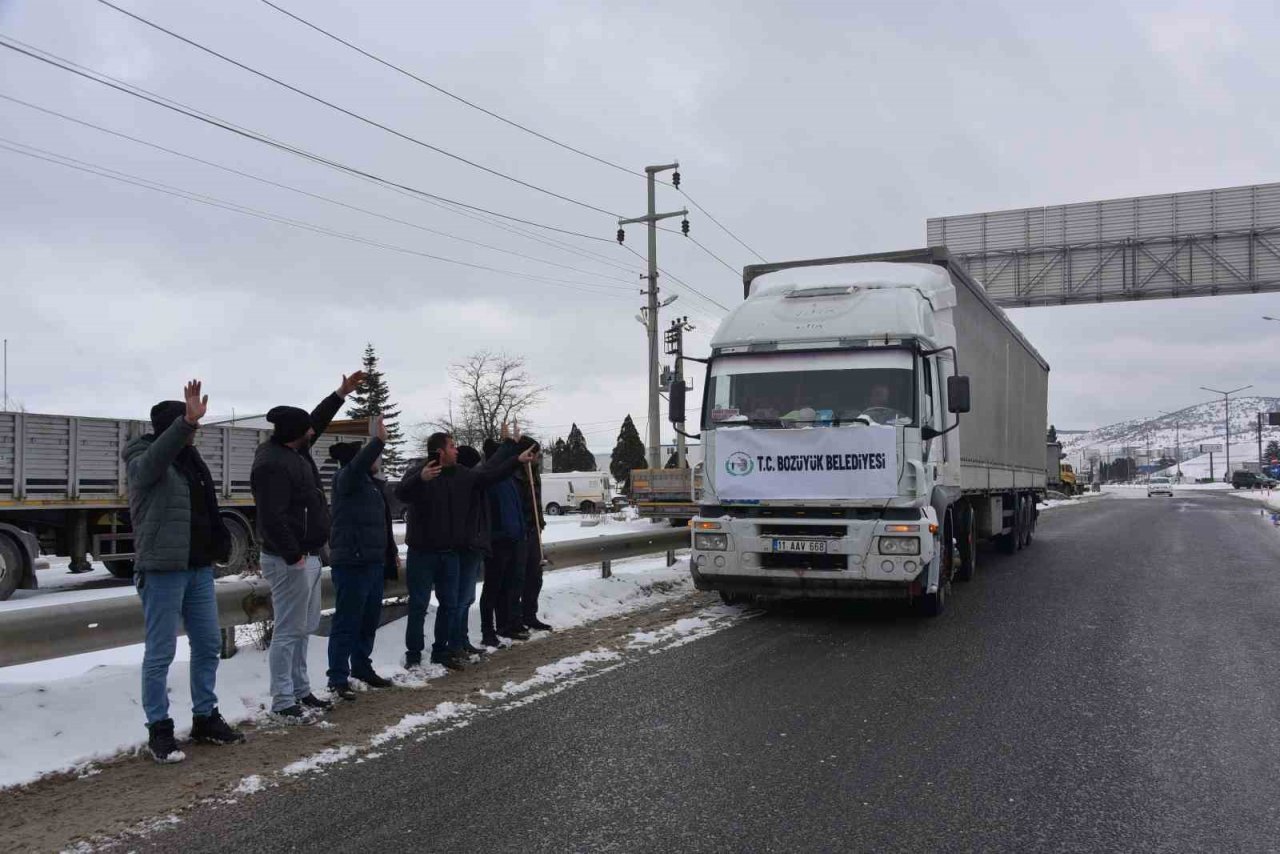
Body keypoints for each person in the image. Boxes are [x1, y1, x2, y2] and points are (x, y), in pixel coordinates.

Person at [124, 379, 244, 763]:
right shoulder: (142, 457)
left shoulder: (192, 460)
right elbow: (150, 466)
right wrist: (185, 424)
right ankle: (159, 729)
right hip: (162, 569)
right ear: (172, 427)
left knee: (208, 644)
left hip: (197, 568)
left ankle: (205, 717)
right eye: (190, 424)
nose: (196, 430)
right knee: (160, 653)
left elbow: (204, 506)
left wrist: (219, 541)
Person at [251, 370, 365, 721]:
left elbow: (315, 420)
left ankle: (301, 690)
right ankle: (283, 700)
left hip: (309, 555)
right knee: (288, 631)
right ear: (295, 434)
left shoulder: (294, 450)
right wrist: (293, 555)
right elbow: (271, 516)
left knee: (304, 627)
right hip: (290, 559)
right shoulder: (271, 463)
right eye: (307, 431)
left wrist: (340, 394)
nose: (313, 432)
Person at [396, 431, 536, 671]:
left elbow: (489, 475)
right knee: (419, 605)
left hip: (450, 552)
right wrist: (420, 478)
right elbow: (400, 493)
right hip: (422, 553)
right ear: (439, 451)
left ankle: (441, 652)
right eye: (452, 446)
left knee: (449, 604)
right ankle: (414, 655)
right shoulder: (420, 471)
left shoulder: (462, 474)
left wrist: (516, 460)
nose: (456, 450)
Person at [325, 417, 417, 701]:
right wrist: (378, 440)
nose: (377, 461)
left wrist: (391, 554)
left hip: (373, 562)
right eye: (373, 457)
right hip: (352, 563)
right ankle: (337, 677)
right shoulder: (346, 479)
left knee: (367, 620)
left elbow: (382, 524)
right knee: (347, 622)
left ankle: (362, 667)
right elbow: (357, 466)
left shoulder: (370, 486)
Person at [481, 435, 530, 645]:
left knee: (509, 586)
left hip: (514, 538)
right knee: (492, 588)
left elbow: (516, 509)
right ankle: (488, 630)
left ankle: (505, 624)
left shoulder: (509, 479)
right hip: (497, 540)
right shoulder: (489, 480)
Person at [511, 426, 553, 632]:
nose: (538, 458)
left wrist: (540, 523)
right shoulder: (514, 474)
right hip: (520, 532)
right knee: (518, 577)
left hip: (534, 530)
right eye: (535, 454)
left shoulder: (534, 472)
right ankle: (515, 618)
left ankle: (530, 614)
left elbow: (537, 501)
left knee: (535, 576)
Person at [453, 444, 489, 657]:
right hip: (467, 547)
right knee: (462, 598)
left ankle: (462, 639)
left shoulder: (472, 484)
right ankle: (456, 641)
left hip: (474, 546)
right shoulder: (466, 485)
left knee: (466, 599)